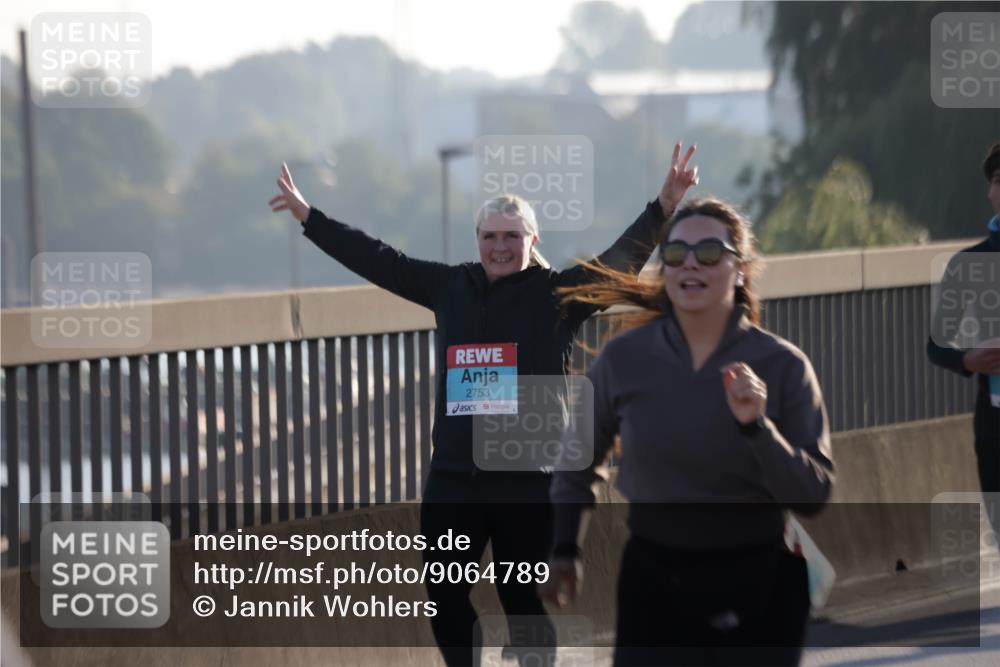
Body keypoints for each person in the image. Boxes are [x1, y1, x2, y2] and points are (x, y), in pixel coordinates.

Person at [268, 143, 700, 667]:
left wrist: (664, 205)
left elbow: (618, 261)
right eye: (490, 236)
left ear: (532, 240)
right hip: (455, 479)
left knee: (523, 605)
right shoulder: (451, 286)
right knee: (446, 598)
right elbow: (379, 260)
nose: (500, 246)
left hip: (527, 481)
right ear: (477, 241)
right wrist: (309, 217)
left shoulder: (559, 294)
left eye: (511, 237)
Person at [540, 197, 835, 666]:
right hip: (656, 577)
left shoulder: (783, 366)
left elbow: (814, 493)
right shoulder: (623, 358)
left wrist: (758, 427)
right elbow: (577, 460)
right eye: (675, 254)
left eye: (710, 253)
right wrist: (564, 548)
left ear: (740, 269)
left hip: (760, 578)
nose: (691, 264)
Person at [927, 141, 1000, 516]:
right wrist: (969, 359)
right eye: (999, 180)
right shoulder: (967, 264)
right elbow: (936, 345)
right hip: (994, 427)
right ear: (990, 191)